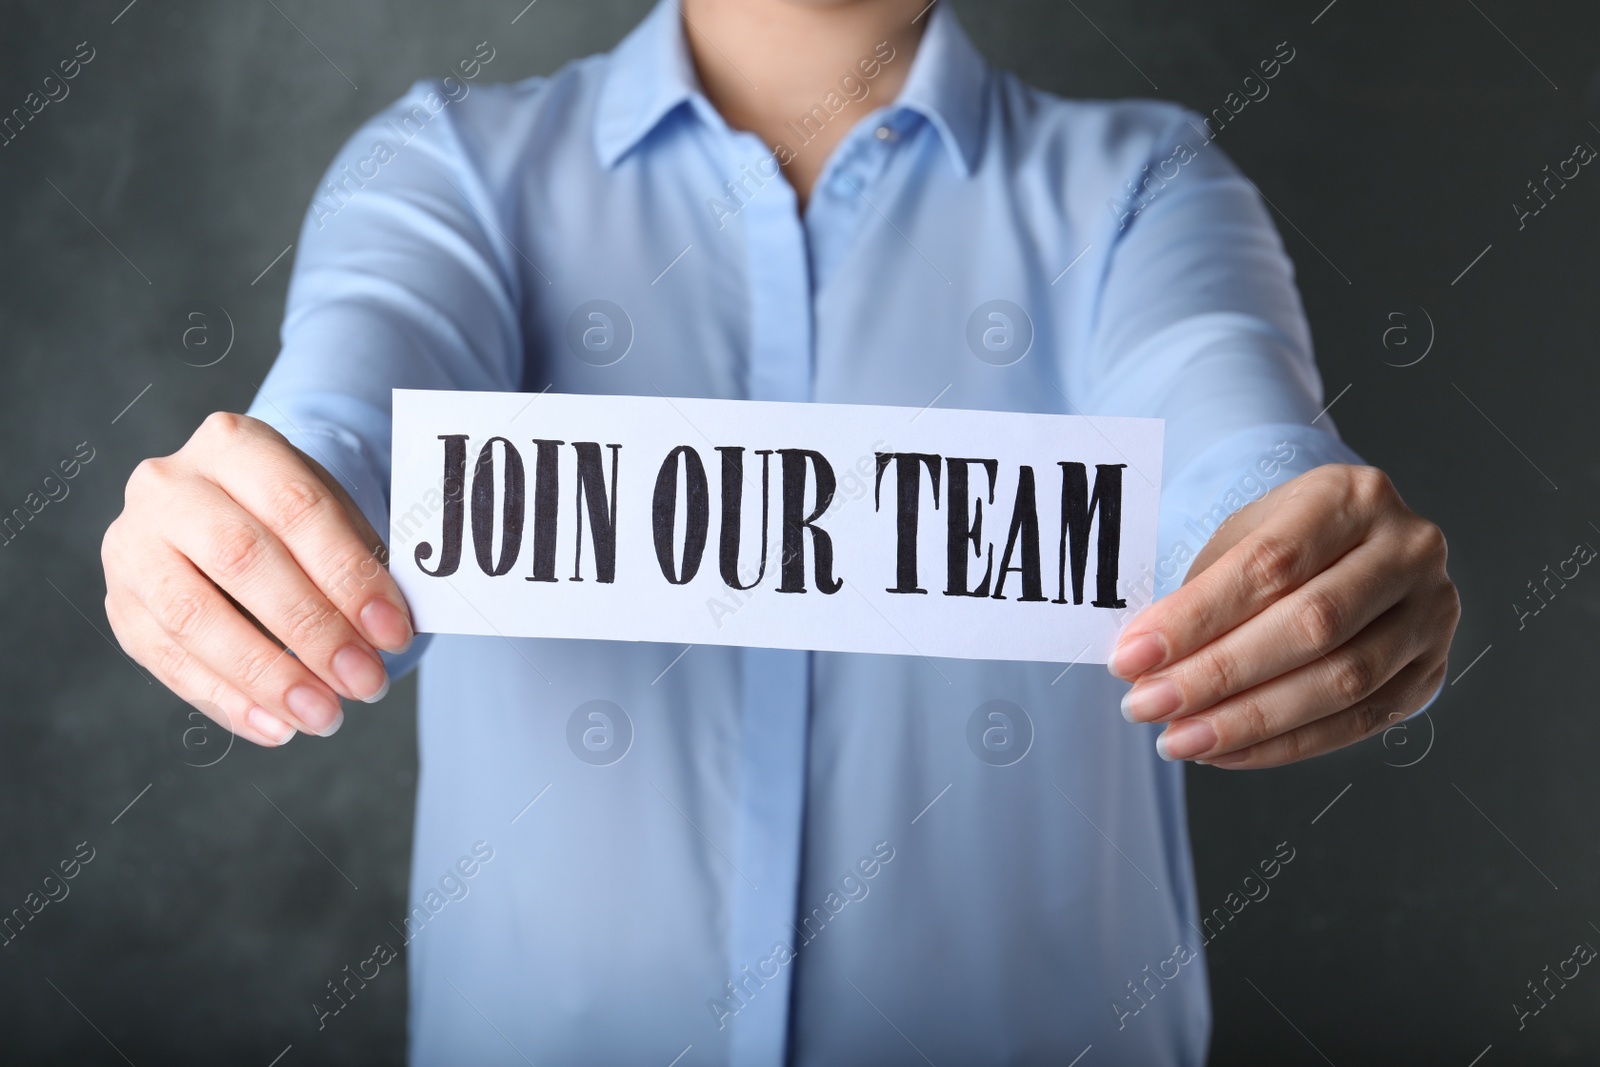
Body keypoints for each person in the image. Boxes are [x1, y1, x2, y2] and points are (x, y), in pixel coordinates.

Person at [100, 0, 1459, 1062]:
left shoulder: (1142, 185)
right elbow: (357, 414)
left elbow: (1220, 412)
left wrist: (1286, 541)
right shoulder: (450, 169)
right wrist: (266, 524)